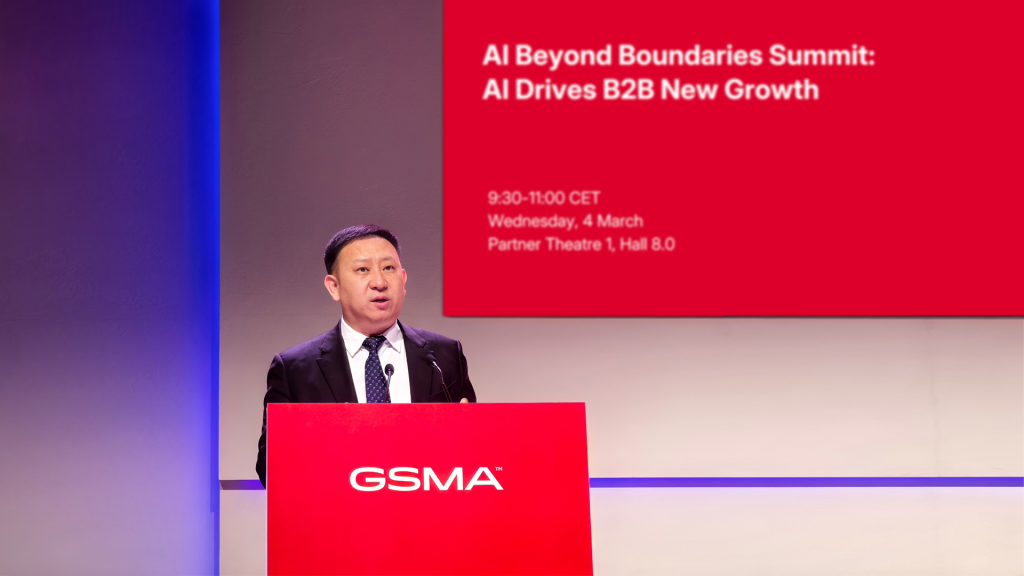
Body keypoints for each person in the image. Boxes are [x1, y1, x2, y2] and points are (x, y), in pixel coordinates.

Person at [255, 225, 475, 486]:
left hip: (429, 518)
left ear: (403, 281)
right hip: (336, 520)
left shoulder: (444, 356)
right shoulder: (294, 370)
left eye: (389, 268)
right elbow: (270, 469)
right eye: (363, 270)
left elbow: (473, 457)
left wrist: (470, 438)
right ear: (334, 287)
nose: (380, 282)